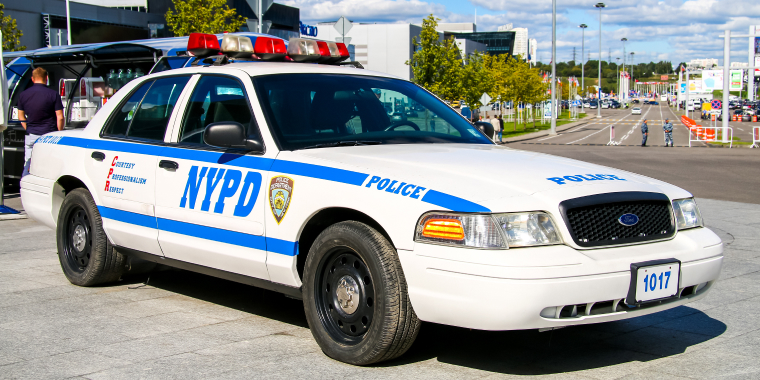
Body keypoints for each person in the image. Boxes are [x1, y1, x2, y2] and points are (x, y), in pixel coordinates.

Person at [17, 67, 64, 177]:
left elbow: (21, 116)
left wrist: (28, 128)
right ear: (46, 78)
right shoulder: (53, 94)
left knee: (29, 164)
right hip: (50, 135)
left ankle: (25, 187)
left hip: (31, 134)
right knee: (50, 165)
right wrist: (59, 132)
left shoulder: (23, 95)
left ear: (32, 79)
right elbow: (60, 117)